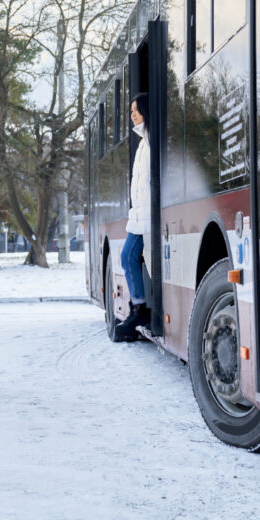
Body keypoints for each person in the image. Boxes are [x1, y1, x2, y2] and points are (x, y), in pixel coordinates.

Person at [116, 93, 151, 339]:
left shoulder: (152, 142)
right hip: (139, 216)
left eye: (136, 110)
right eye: (131, 111)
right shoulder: (142, 144)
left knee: (128, 256)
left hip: (147, 217)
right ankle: (138, 307)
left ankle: (139, 309)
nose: (133, 115)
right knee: (128, 257)